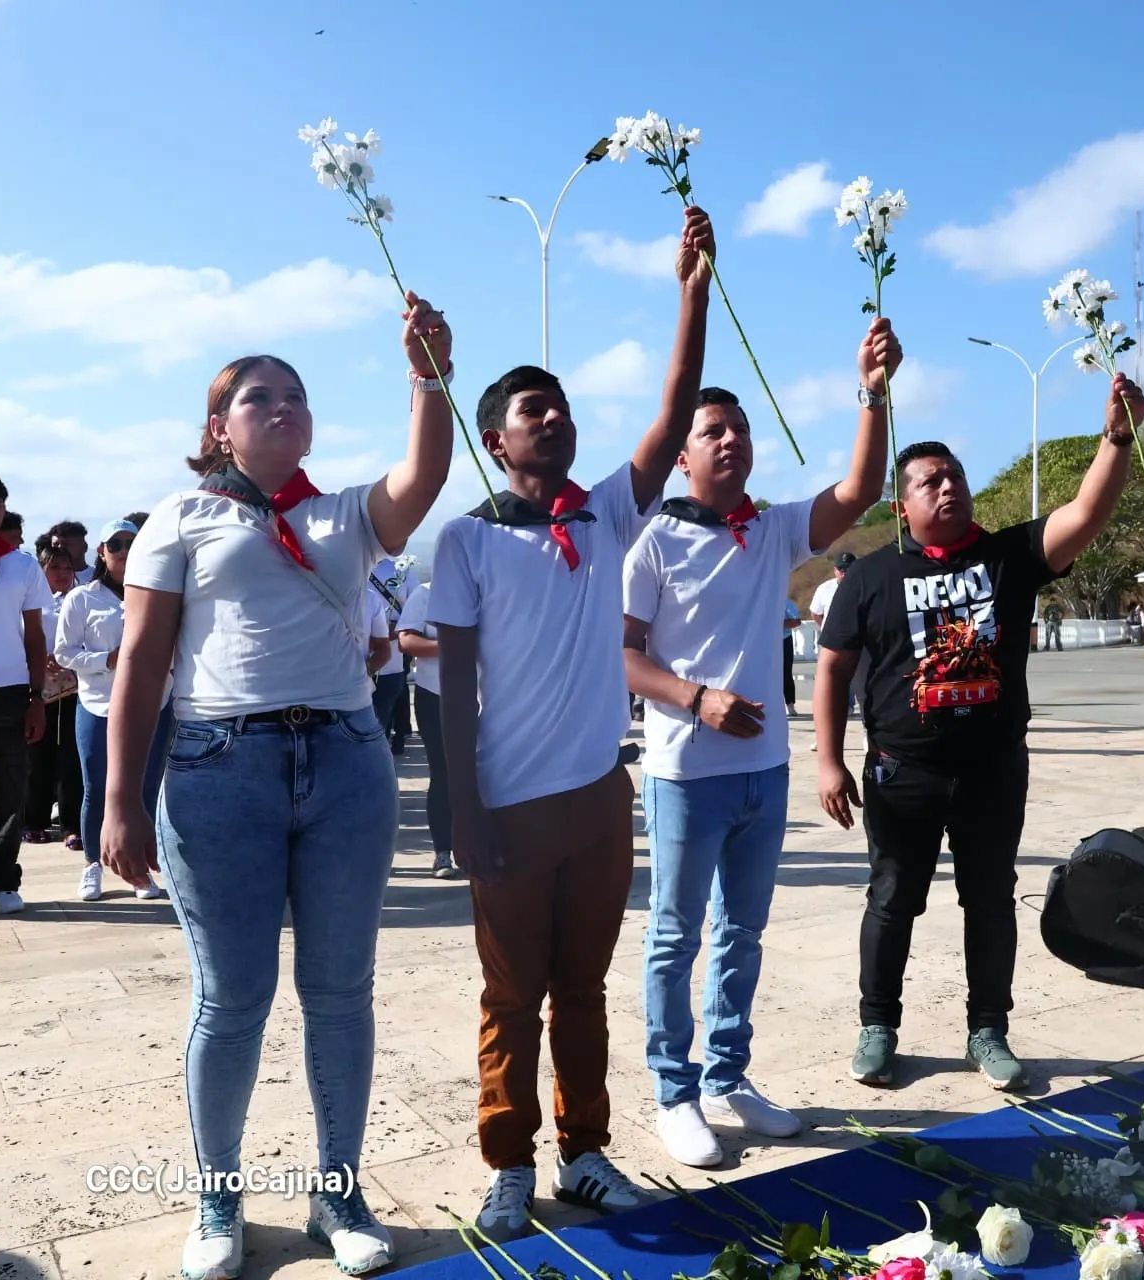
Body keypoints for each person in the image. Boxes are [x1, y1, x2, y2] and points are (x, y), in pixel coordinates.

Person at [99, 292, 453, 1280]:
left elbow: (423, 476)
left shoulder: (343, 513)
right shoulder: (181, 516)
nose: (282, 408)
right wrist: (119, 799)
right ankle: (219, 1199)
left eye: (295, 397)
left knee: (340, 993)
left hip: (345, 763)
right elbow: (140, 660)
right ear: (218, 426)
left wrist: (429, 372)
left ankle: (337, 1189)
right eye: (259, 398)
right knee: (233, 999)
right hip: (221, 772)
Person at [429, 206, 715, 1242]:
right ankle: (508, 1164)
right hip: (507, 804)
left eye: (563, 411)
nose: (554, 421)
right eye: (533, 412)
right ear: (499, 437)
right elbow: (454, 687)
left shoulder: (605, 512)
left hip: (600, 800)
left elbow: (676, 406)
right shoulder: (465, 540)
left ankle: (585, 1149)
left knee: (583, 987)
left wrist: (690, 294)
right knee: (512, 996)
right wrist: (464, 809)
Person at [814, 373, 1144, 1093]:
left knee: (991, 900)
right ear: (903, 505)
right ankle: (878, 1026)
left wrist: (1117, 437)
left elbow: (1086, 512)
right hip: (903, 773)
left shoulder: (1009, 556)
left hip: (993, 769)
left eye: (955, 476)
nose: (948, 487)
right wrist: (829, 762)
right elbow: (833, 668)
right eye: (930, 481)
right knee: (892, 900)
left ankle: (988, 1028)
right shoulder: (869, 578)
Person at [622, 320, 902, 1168]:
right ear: (684, 455)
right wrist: (694, 699)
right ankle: (674, 1090)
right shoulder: (653, 540)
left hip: (762, 770)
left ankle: (727, 1077)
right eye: (714, 432)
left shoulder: (770, 528)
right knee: (676, 935)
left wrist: (871, 391)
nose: (732, 441)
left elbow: (859, 491)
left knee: (743, 931)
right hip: (685, 772)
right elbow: (623, 654)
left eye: (740, 430)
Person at [55, 519, 173, 902]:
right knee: (97, 786)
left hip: (154, 702)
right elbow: (64, 652)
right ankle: (93, 862)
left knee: (148, 786)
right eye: (116, 545)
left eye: (131, 543)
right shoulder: (82, 598)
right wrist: (107, 659)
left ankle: (143, 869)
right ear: (101, 553)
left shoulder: (161, 593)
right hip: (99, 704)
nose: (124, 551)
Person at [0, 475, 52, 914]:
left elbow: (35, 636)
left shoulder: (23, 566)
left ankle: (4, 879)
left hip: (9, 693)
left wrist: (37, 696)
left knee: (10, 792)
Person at [23, 544, 84, 851]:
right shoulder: (29, 601)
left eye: (67, 568)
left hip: (74, 688)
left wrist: (68, 656)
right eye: (54, 568)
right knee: (37, 756)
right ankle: (34, 821)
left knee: (71, 758)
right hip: (36, 689)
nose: (62, 574)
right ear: (41, 570)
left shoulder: (83, 599)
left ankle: (73, 824)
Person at [396, 581, 453, 878]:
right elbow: (406, 641)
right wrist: (455, 647)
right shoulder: (427, 593)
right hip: (437, 696)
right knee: (444, 775)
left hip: (491, 696)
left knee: (489, 775)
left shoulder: (497, 588)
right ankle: (443, 852)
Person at [808, 552, 859, 752]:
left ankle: (867, 735)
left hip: (860, 643)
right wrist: (829, 630)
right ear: (835, 570)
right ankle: (824, 739)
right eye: (842, 569)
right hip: (833, 645)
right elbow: (816, 613)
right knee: (828, 691)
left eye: (849, 569)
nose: (845, 573)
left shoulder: (864, 584)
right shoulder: (825, 589)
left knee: (862, 690)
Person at [369, 555, 419, 754]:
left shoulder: (402, 571)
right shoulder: (346, 565)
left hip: (391, 664)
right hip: (351, 666)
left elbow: (417, 611)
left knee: (382, 722)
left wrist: (396, 629)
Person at [50, 520, 93, 587]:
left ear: (84, 547)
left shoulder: (98, 579)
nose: (60, 548)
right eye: (56, 544)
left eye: (66, 544)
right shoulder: (43, 579)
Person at [782, 599, 801, 717]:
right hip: (764, 641)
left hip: (783, 641)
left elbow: (796, 621)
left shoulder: (786, 603)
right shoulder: (759, 601)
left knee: (786, 673)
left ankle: (790, 704)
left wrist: (777, 622)